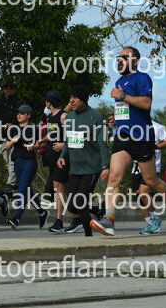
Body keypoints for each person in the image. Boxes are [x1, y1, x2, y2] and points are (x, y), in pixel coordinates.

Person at [91, 46, 166, 236]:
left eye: (124, 57)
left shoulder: (142, 78)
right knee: (114, 177)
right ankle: (109, 220)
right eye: (118, 58)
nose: (119, 60)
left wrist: (121, 96)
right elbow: (127, 109)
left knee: (152, 181)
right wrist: (118, 119)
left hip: (142, 136)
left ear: (135, 61)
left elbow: (146, 104)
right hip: (123, 135)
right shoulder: (119, 81)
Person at [56, 86, 109, 237]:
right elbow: (68, 140)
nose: (71, 101)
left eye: (75, 98)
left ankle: (88, 235)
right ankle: (97, 210)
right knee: (72, 205)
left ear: (84, 100)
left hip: (91, 167)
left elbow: (102, 143)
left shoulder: (95, 116)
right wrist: (62, 156)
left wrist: (105, 166)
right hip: (75, 168)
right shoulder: (70, 117)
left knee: (79, 202)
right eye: (70, 97)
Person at [5, 105, 49, 230]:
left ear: (28, 115)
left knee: (22, 189)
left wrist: (34, 147)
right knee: (27, 191)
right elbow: (7, 147)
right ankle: (42, 212)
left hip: (29, 162)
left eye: (22, 113)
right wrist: (12, 141)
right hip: (17, 162)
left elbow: (43, 143)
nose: (19, 115)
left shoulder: (34, 129)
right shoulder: (13, 129)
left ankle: (16, 218)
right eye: (18, 113)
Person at [34, 90, 71, 232]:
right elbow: (52, 134)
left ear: (49, 102)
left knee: (59, 186)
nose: (45, 103)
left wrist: (63, 145)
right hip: (52, 156)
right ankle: (84, 212)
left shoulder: (63, 116)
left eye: (46, 100)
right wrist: (42, 141)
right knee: (63, 189)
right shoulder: (50, 117)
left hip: (62, 156)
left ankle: (59, 221)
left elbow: (72, 134)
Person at [130, 121, 166, 235]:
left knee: (143, 192)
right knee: (140, 196)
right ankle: (150, 222)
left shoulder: (157, 127)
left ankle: (156, 218)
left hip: (152, 166)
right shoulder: (132, 126)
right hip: (136, 167)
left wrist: (153, 147)